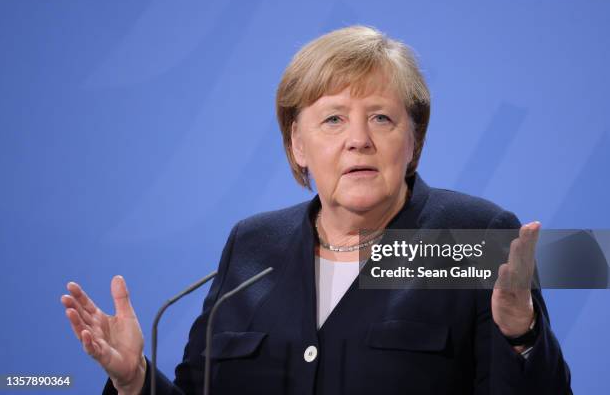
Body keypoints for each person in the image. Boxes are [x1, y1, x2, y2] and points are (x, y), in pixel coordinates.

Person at [61, 25, 572, 394]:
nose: (358, 140)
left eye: (381, 118)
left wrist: (521, 335)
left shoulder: (472, 237)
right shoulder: (252, 244)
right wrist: (134, 380)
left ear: (412, 142)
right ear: (297, 146)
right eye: (332, 119)